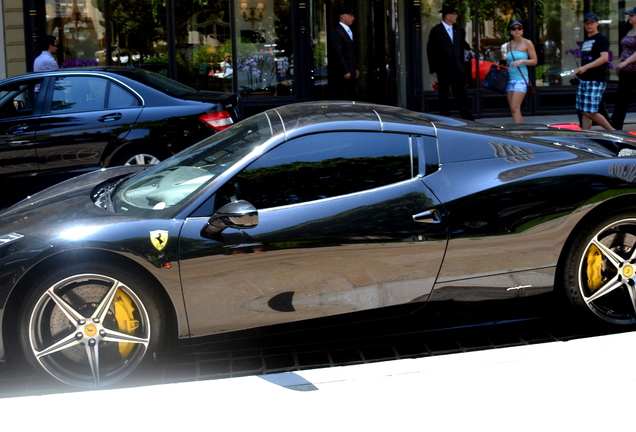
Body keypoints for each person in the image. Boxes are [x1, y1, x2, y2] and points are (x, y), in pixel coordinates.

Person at [427, 5, 474, 120]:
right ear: (448, 16)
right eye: (454, 14)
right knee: (444, 95)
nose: (456, 16)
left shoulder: (457, 30)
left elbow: (461, 45)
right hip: (443, 68)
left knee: (461, 93)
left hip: (457, 68)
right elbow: (431, 50)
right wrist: (433, 68)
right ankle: (445, 117)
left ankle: (467, 117)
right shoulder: (436, 31)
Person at [572, 13, 615, 130]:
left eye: (591, 22)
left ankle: (613, 131)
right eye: (586, 23)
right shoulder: (587, 40)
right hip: (584, 79)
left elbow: (604, 58)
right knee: (584, 111)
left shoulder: (601, 38)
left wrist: (586, 67)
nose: (588, 25)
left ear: (597, 23)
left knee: (590, 112)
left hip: (595, 80)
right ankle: (586, 135)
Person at [504, 21, 537, 123]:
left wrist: (522, 61)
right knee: (514, 110)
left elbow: (534, 61)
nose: (516, 30)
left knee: (515, 108)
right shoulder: (508, 45)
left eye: (519, 28)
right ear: (510, 31)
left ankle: (518, 133)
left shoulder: (527, 43)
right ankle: (523, 131)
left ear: (522, 30)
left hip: (521, 80)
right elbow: (508, 62)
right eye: (514, 29)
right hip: (510, 79)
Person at [611, 7, 636, 130]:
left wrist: (625, 62)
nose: (629, 17)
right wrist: (620, 63)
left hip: (635, 70)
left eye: (632, 15)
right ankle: (615, 128)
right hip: (626, 71)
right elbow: (625, 50)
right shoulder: (628, 30)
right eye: (629, 15)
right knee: (621, 100)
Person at [329, 6, 359, 100]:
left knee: (353, 95)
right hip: (343, 73)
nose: (353, 18)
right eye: (351, 15)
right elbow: (337, 53)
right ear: (343, 16)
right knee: (344, 96)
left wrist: (355, 68)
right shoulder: (337, 32)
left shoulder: (349, 31)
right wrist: (345, 70)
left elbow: (351, 52)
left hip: (351, 71)